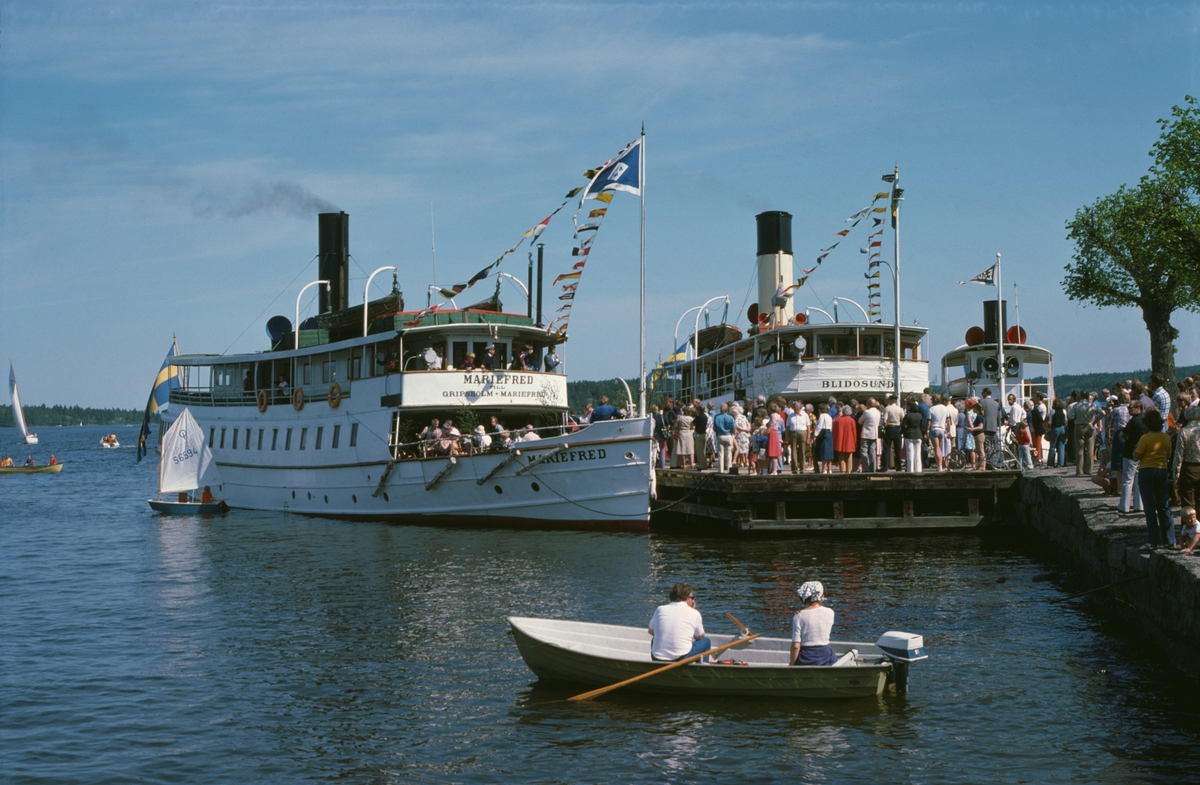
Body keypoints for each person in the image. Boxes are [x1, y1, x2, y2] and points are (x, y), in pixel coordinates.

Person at [1133, 409, 1176, 550]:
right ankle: (1170, 539)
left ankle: (1152, 540)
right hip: (1161, 471)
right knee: (1164, 505)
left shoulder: (1145, 438)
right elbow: (1168, 455)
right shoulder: (1166, 438)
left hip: (1146, 471)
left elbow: (1136, 456)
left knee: (1150, 507)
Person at [648, 583, 710, 662]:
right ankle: (701, 670)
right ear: (687, 598)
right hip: (681, 659)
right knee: (706, 641)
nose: (693, 601)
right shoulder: (694, 613)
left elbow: (650, 631)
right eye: (692, 597)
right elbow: (699, 637)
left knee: (654, 639)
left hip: (657, 658)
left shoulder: (660, 609)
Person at [791, 581, 836, 666]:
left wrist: (791, 665)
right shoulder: (830, 612)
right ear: (821, 596)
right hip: (826, 657)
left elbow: (796, 646)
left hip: (806, 658)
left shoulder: (799, 616)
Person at [1119, 401, 1148, 514]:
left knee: (1127, 480)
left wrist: (1127, 436)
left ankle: (1124, 506)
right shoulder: (1145, 420)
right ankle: (1139, 505)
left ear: (1138, 408)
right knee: (1138, 480)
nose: (1128, 409)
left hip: (1130, 452)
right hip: (1142, 454)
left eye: (1130, 407)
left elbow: (1122, 434)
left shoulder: (1133, 421)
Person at [1172, 405, 1200, 509]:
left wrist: (1176, 475)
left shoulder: (1183, 431)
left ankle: (1188, 525)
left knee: (1187, 502)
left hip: (1189, 469)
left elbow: (1179, 455)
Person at [979, 389, 1000, 469]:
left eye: (982, 393)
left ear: (985, 393)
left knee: (987, 445)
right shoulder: (996, 403)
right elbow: (998, 416)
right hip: (994, 426)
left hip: (985, 426)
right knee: (994, 444)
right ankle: (995, 461)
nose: (981, 394)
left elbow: (980, 414)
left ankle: (991, 462)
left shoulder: (982, 402)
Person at [882, 395, 904, 471]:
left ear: (891, 400)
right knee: (897, 449)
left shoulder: (887, 409)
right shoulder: (900, 409)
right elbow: (903, 420)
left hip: (889, 428)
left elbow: (884, 421)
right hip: (897, 428)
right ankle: (899, 466)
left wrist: (884, 427)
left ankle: (885, 466)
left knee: (886, 448)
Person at [713, 403, 736, 473]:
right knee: (729, 454)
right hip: (728, 435)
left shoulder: (717, 417)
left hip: (720, 435)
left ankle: (720, 470)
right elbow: (733, 428)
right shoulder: (731, 417)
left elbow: (714, 428)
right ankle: (729, 469)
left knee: (720, 454)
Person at [902, 399, 924, 473]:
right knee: (918, 454)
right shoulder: (919, 415)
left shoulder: (907, 415)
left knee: (910, 454)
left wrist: (903, 432)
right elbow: (921, 426)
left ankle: (910, 470)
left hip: (909, 435)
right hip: (918, 435)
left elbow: (903, 426)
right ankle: (918, 470)